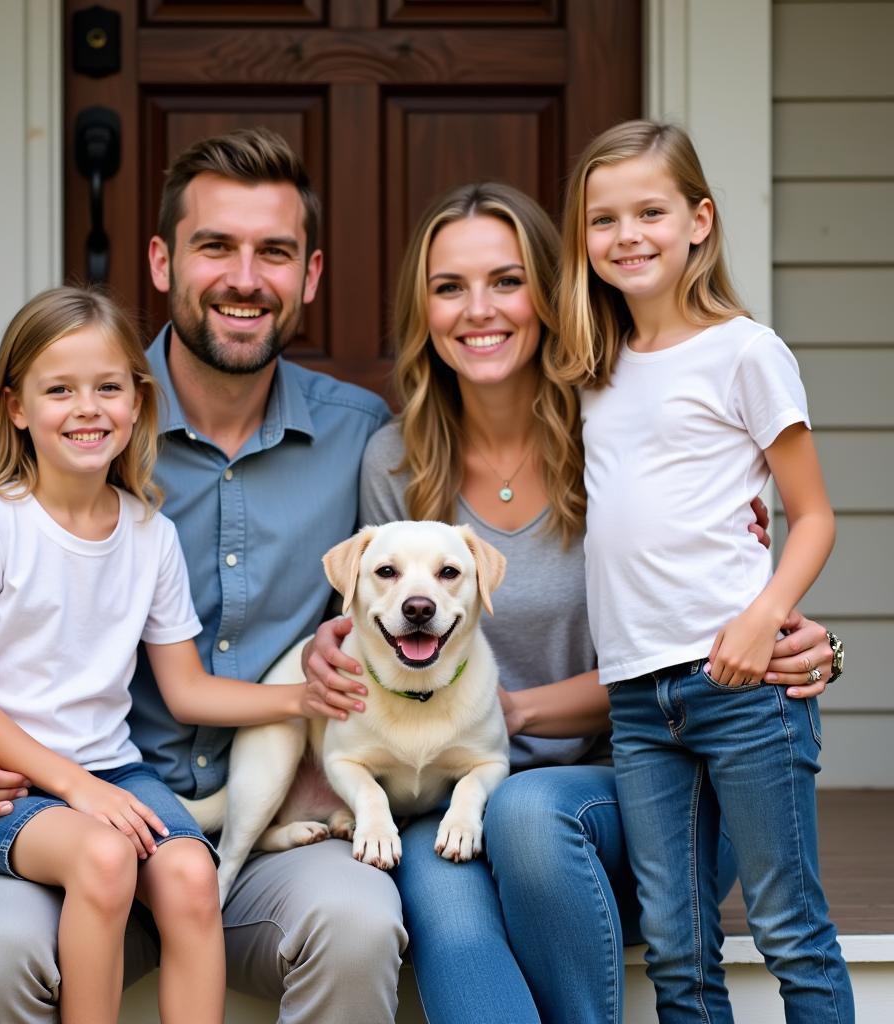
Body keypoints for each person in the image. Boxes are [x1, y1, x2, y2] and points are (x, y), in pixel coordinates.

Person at [304, 179, 844, 1024]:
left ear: (551, 298)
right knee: (450, 923)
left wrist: (794, 632)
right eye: (449, 288)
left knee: (524, 811)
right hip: (452, 793)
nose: (478, 311)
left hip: (636, 793)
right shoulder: (396, 464)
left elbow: (694, 630)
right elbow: (376, 626)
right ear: (425, 313)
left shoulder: (624, 431)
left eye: (508, 281)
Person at [0, 129, 398, 1024]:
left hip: (252, 826)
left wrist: (336, 694)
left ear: (310, 275)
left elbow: (422, 589)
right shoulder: (30, 492)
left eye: (273, 252)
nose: (245, 277)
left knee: (358, 926)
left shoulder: (361, 438)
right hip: (50, 807)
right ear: (164, 260)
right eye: (217, 245)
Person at [556, 119, 853, 1020]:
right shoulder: (592, 370)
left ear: (700, 221)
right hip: (640, 699)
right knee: (679, 948)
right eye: (603, 220)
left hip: (745, 683)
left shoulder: (744, 351)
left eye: (650, 211)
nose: (627, 236)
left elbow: (813, 513)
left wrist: (769, 614)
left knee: (786, 924)